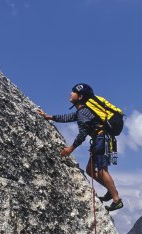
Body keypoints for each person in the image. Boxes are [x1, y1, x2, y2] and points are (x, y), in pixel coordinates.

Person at [38, 83, 123, 211]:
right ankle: (111, 191)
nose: (71, 94)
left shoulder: (83, 112)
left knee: (102, 170)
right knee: (90, 170)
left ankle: (116, 199)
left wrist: (71, 148)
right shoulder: (83, 111)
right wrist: (49, 117)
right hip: (100, 139)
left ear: (80, 96)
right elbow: (69, 117)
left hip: (101, 139)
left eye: (73, 92)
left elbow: (83, 133)